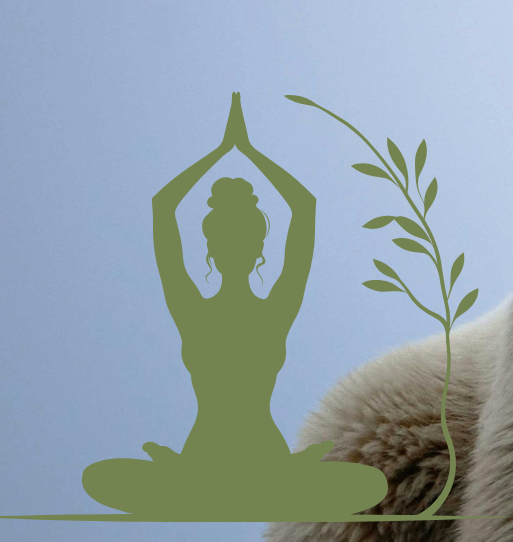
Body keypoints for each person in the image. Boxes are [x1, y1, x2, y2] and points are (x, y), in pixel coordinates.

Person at [81, 94, 388, 521]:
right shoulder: (192, 310)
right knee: (102, 478)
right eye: (224, 238)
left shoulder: (275, 310)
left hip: (265, 465)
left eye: (244, 237)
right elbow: (163, 209)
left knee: (369, 482)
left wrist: (250, 153)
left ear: (259, 247)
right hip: (202, 463)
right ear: (210, 246)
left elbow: (303, 209)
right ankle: (218, 492)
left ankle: (227, 494)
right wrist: (218, 153)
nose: (234, 247)